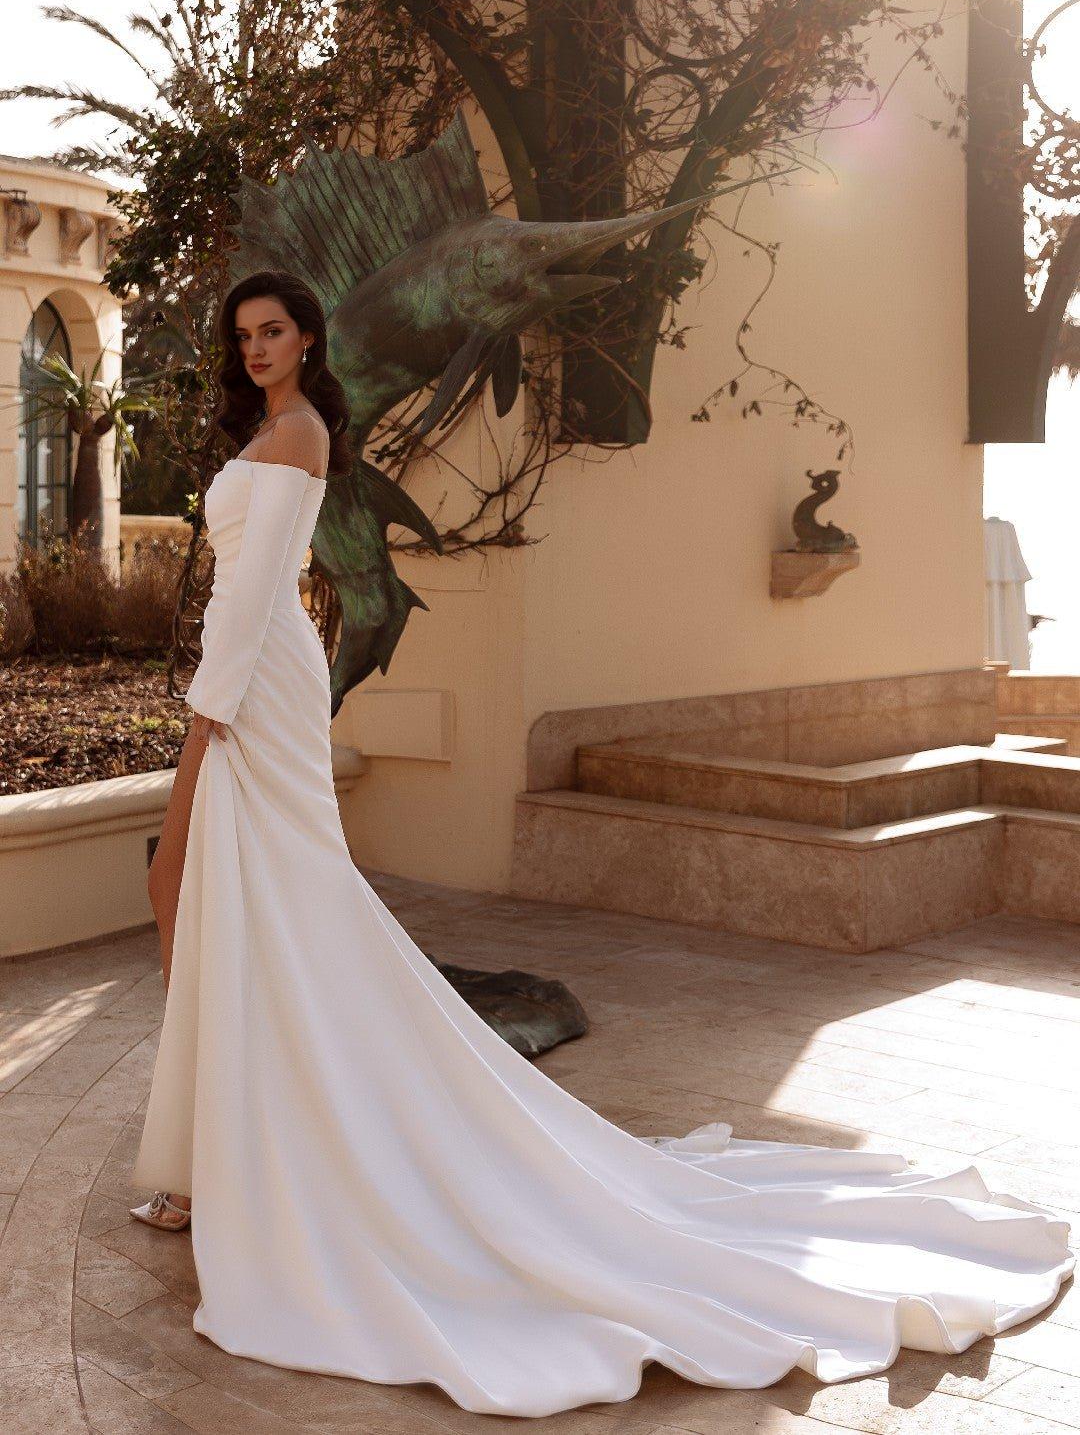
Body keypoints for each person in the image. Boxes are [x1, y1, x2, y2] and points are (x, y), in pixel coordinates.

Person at [130, 268, 1075, 1419]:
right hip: (260, 677)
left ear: (307, 337)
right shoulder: (279, 431)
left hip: (252, 689)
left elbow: (250, 599)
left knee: (275, 909)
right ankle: (215, 1160)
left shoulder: (296, 437)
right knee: (255, 913)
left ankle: (269, 1160)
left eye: (273, 330)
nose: (258, 347)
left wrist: (197, 731)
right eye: (244, 335)